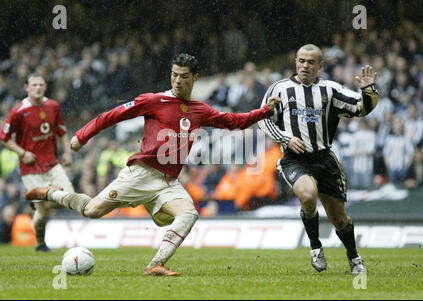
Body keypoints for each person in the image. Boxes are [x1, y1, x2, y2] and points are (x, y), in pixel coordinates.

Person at [26, 53, 280, 276]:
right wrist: (82, 135)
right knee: (92, 211)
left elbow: (234, 121)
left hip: (168, 182)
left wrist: (265, 111)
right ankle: (52, 194)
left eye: (183, 76)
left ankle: (156, 264)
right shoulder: (153, 100)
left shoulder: (199, 110)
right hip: (141, 174)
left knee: (189, 214)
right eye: (174, 75)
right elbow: (113, 115)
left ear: (195, 78)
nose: (177, 80)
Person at [258, 44, 379, 274]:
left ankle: (353, 257)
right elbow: (263, 118)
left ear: (320, 66)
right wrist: (285, 138)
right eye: (301, 60)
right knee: (307, 194)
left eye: (310, 62)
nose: (305, 66)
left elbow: (362, 109)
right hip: (295, 158)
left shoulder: (331, 89)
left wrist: (368, 91)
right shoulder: (280, 88)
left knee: (340, 219)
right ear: (295, 61)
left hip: (324, 159)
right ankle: (315, 246)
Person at [0, 74, 74, 252]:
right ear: (26, 87)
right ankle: (41, 244)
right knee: (43, 209)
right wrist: (22, 152)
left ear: (45, 86)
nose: (38, 88)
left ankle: (42, 200)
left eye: (41, 84)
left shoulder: (53, 106)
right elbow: (4, 137)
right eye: (34, 85)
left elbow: (62, 132)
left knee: (70, 198)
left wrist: (67, 152)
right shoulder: (19, 111)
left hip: (52, 164)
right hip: (31, 168)